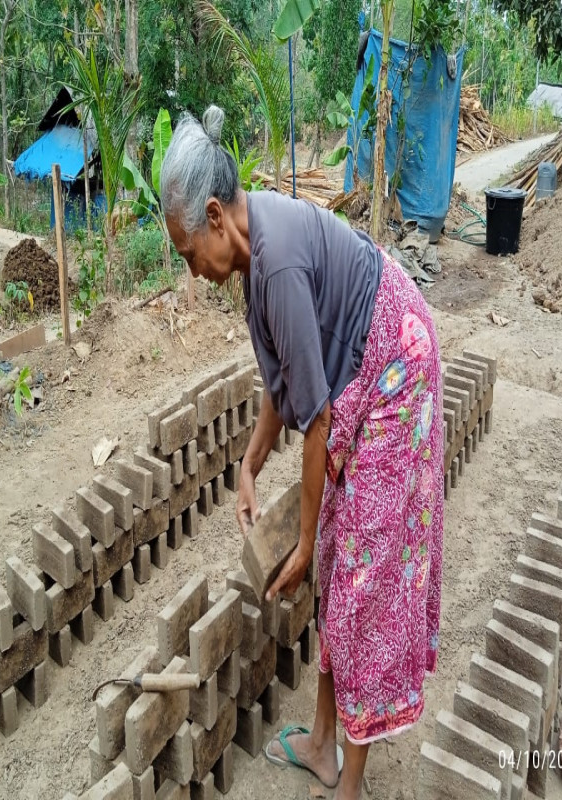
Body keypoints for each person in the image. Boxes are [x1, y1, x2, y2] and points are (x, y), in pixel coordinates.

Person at [160, 106, 444, 800]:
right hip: (361, 378)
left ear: (219, 217)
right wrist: (250, 465)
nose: (194, 273)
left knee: (360, 582)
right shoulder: (256, 266)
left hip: (394, 377)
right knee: (340, 573)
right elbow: (282, 381)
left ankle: (348, 783)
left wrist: (309, 536)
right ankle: (320, 742)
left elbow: (314, 423)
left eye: (191, 253)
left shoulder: (277, 264)